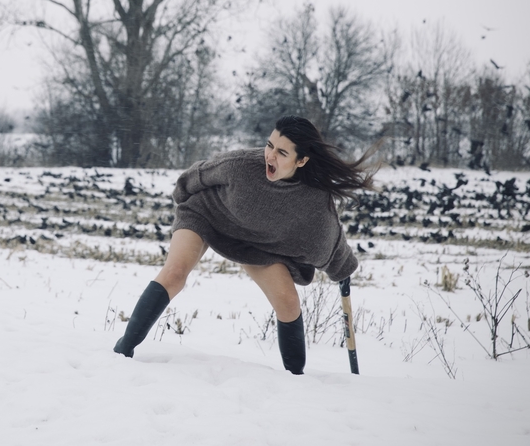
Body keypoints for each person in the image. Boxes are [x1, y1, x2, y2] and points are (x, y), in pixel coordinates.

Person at [113, 115, 378, 374]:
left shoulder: (313, 199)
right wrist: (182, 198)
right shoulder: (241, 165)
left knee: (288, 302)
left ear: (302, 160)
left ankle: (295, 378)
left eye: (282, 153)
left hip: (255, 245)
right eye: (269, 145)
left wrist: (342, 269)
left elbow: (329, 237)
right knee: (174, 274)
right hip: (206, 216)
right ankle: (123, 352)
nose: (270, 156)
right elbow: (197, 176)